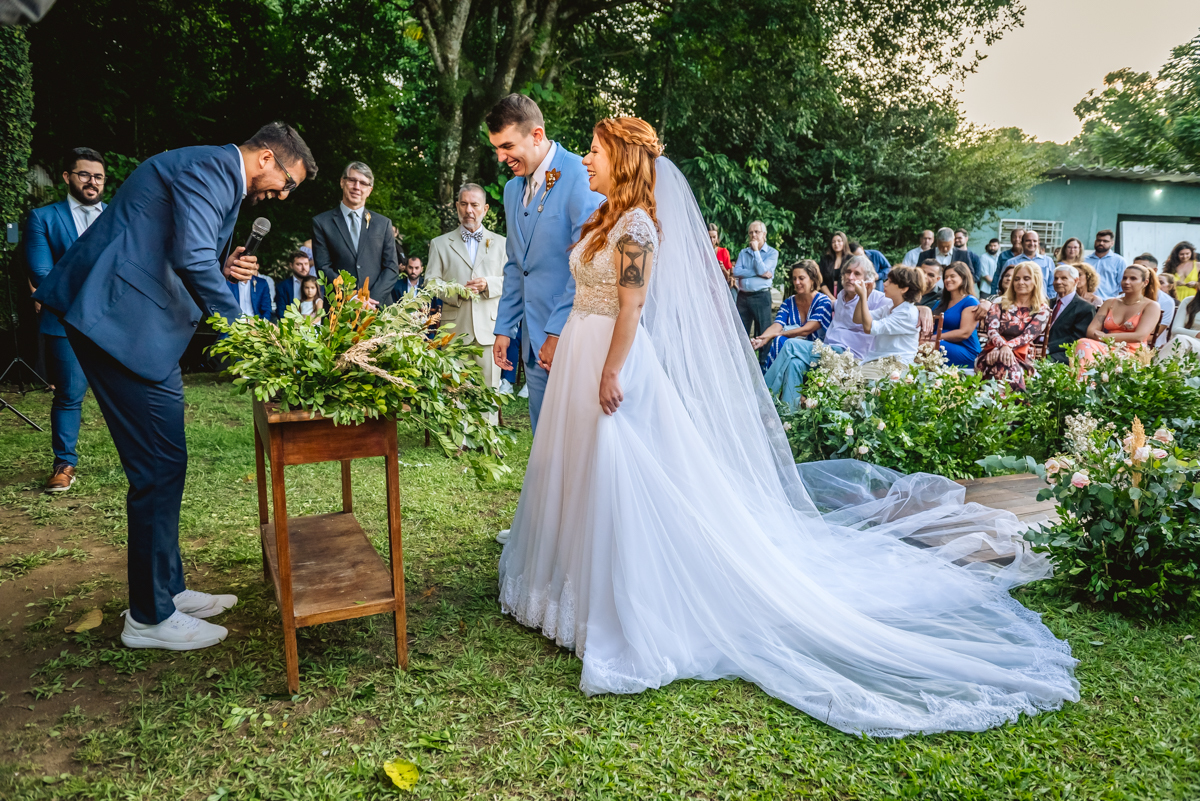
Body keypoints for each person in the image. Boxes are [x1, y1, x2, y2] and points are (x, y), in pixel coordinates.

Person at [498, 115, 1077, 738]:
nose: (587, 160)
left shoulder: (638, 227)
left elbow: (632, 307)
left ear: (625, 160)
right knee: (577, 470)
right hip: (579, 351)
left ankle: (620, 607)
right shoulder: (603, 218)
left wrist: (612, 371)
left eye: (595, 151)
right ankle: (566, 592)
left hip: (611, 359)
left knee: (621, 476)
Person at [33, 122, 316, 650]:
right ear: (268, 159)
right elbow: (187, 257)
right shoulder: (211, 168)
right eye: (288, 182)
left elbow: (182, 248)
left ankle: (168, 589)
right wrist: (245, 333)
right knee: (157, 468)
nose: (281, 194)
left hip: (137, 325)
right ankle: (148, 618)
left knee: (167, 462)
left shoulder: (212, 174)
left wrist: (222, 267)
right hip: (119, 321)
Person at [488, 94, 603, 442]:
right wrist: (505, 328)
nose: (501, 157)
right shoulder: (511, 190)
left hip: (570, 334)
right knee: (544, 441)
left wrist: (556, 333)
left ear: (536, 136)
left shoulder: (580, 176)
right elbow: (515, 263)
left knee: (576, 439)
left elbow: (586, 264)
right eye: (495, 148)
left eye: (507, 146)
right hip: (529, 341)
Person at [24, 147, 107, 493]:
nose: (92, 182)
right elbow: (43, 273)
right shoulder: (43, 218)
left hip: (115, 321)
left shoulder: (119, 216)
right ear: (67, 177)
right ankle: (64, 464)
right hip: (65, 322)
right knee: (70, 394)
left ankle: (143, 461)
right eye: (85, 174)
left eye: (98, 176)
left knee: (132, 393)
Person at [426, 183, 507, 393]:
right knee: (455, 397)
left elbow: (514, 282)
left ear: (485, 209)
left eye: (474, 204)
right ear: (456, 206)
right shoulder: (439, 243)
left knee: (488, 396)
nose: (468, 210)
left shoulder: (502, 244)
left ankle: (488, 428)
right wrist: (456, 291)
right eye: (463, 204)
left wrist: (489, 284)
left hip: (490, 332)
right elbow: (430, 283)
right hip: (454, 332)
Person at [312, 161, 400, 304]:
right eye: (352, 180)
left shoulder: (383, 224)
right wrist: (352, 297)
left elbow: (391, 268)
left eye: (363, 183)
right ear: (342, 182)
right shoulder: (322, 222)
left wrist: (371, 300)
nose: (356, 187)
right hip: (340, 308)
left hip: (378, 308)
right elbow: (323, 267)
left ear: (369, 190)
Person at [975, 262, 1050, 391]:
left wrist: (1006, 347)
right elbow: (992, 330)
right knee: (999, 363)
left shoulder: (1041, 309)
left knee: (1007, 366)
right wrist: (1001, 347)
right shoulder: (999, 303)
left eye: (1026, 278)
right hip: (992, 350)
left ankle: (995, 406)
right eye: (1017, 279)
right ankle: (1008, 406)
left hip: (1022, 354)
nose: (1020, 282)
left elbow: (1027, 336)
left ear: (1036, 281)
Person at [750, 260, 832, 371]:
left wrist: (774, 335)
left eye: (801, 278)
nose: (797, 282)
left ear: (813, 279)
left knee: (779, 340)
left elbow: (806, 330)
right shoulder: (789, 302)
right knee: (783, 345)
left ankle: (768, 384)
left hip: (816, 351)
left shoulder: (823, 301)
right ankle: (772, 384)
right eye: (794, 278)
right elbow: (777, 325)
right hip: (792, 351)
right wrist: (761, 339)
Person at [1074, 264, 1160, 368]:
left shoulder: (1151, 306)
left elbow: (1139, 336)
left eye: (1133, 278)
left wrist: (1105, 337)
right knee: (1082, 342)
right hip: (1107, 346)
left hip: (1132, 351)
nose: (1126, 282)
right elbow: (1091, 331)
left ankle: (1087, 382)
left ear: (1145, 283)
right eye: (1124, 278)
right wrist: (1110, 343)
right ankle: (1086, 383)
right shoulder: (1110, 303)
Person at [850, 265, 922, 380]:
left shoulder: (907, 313)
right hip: (881, 361)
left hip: (896, 365)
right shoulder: (890, 306)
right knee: (844, 377)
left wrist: (863, 296)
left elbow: (868, 328)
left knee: (848, 379)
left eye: (890, 281)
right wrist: (863, 296)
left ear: (904, 289)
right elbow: (858, 319)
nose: (884, 283)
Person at [733, 220, 779, 355]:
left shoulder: (772, 253)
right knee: (739, 332)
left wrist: (756, 252)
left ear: (764, 234)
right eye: (751, 232)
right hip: (742, 297)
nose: (753, 235)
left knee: (763, 332)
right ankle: (739, 363)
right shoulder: (743, 252)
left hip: (761, 296)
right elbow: (736, 272)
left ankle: (763, 366)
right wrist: (760, 273)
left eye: (757, 232)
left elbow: (760, 269)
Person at [1045, 265, 1096, 363]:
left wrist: (1047, 348)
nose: (1058, 282)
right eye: (1056, 278)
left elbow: (1077, 339)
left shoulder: (1085, 308)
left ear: (1076, 281)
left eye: (1064, 278)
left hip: (1064, 354)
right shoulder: (1047, 304)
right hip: (1037, 350)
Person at [934, 262, 981, 367]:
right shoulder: (940, 303)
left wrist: (935, 338)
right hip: (940, 344)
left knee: (927, 345)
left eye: (952, 276)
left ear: (963, 278)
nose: (947, 280)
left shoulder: (970, 301)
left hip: (965, 350)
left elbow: (964, 333)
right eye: (945, 277)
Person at [1131, 253, 1175, 349]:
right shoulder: (1120, 298)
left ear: (1154, 271)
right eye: (1135, 267)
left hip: (1150, 347)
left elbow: (1152, 335)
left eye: (1142, 268)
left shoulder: (1166, 301)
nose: (1136, 272)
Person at [276, 249, 319, 318]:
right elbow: (281, 312)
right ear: (291, 265)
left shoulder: (318, 283)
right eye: (299, 264)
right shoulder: (282, 286)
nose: (304, 268)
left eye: (306, 264)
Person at [1084, 229, 1127, 299]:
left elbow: (1123, 286)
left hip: (1108, 302)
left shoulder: (1119, 261)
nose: (1101, 243)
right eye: (1099, 240)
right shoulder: (1085, 260)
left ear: (1112, 243)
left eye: (1105, 241)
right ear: (1095, 241)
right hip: (1086, 302)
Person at [1160, 291, 1200, 361]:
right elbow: (1175, 329)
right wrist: (1196, 334)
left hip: (1189, 343)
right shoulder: (1188, 302)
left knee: (1180, 341)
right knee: (1179, 342)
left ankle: (1154, 370)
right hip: (1186, 343)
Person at [708, 223, 734, 288]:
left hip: (720, 287)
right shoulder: (702, 252)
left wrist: (723, 269)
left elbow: (728, 277)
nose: (712, 240)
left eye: (714, 237)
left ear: (717, 237)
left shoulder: (723, 252)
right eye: (709, 237)